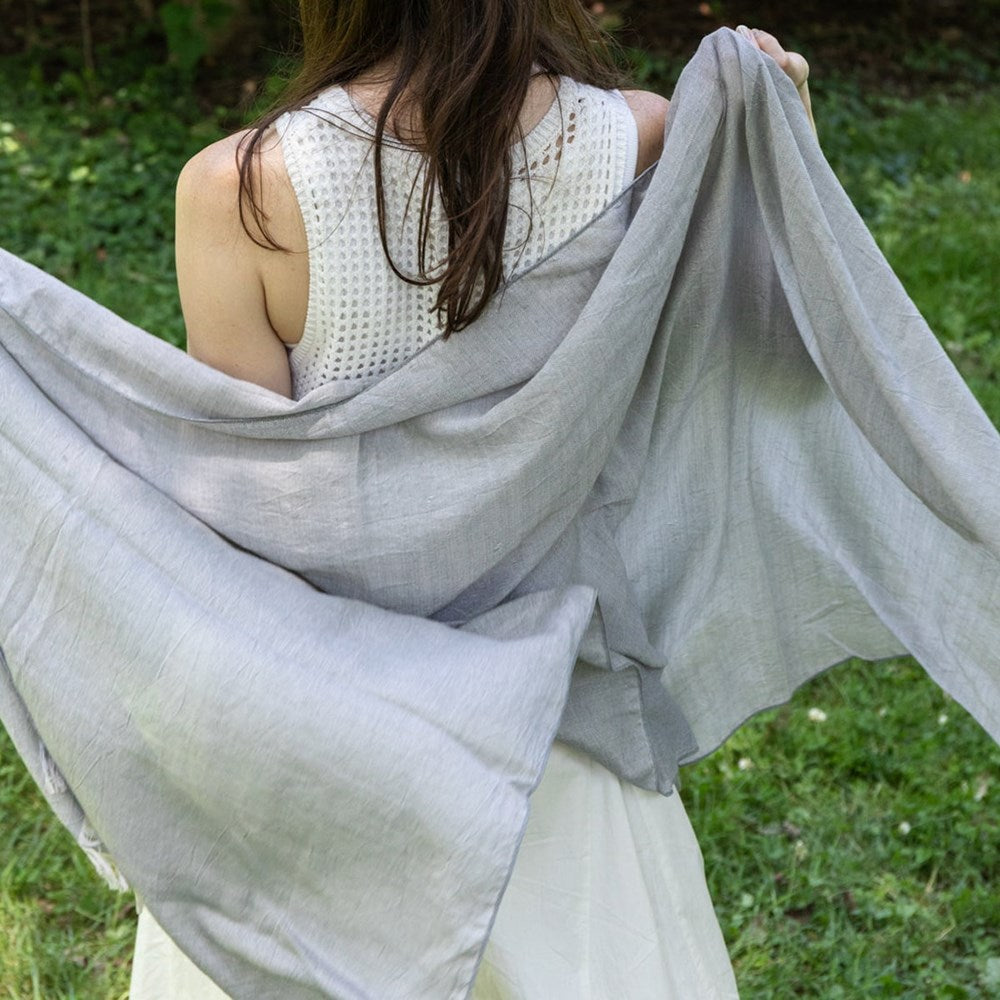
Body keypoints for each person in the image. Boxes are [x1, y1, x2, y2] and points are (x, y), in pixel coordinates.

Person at [126, 5, 815, 998]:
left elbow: (244, 525)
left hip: (332, 735)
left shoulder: (242, 190)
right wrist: (779, 126)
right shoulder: (645, 138)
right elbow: (779, 363)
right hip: (560, 719)